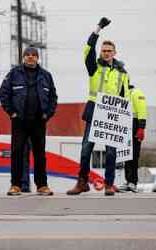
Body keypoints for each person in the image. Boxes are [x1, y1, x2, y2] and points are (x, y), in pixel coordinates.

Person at [66, 17, 130, 196]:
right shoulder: (94, 67)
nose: (106, 53)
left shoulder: (122, 72)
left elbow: (125, 96)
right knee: (86, 149)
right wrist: (98, 29)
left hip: (112, 116)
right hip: (95, 112)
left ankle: (109, 184)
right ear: (101, 52)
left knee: (111, 152)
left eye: (109, 50)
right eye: (104, 50)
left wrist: (126, 119)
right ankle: (82, 182)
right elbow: (88, 50)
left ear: (114, 53)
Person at [0, 46, 58, 196]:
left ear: (38, 58)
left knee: (40, 154)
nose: (30, 57)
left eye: (33, 55)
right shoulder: (14, 74)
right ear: (23, 57)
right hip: (20, 121)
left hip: (39, 121)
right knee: (17, 153)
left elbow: (53, 97)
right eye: (27, 54)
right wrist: (12, 113)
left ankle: (42, 185)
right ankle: (16, 185)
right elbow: (3, 94)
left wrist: (48, 114)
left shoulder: (46, 76)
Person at [117, 84, 146, 193]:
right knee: (126, 154)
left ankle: (133, 182)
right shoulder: (124, 95)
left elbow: (142, 111)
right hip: (125, 125)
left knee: (134, 155)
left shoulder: (136, 93)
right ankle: (128, 181)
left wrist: (141, 127)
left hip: (134, 125)